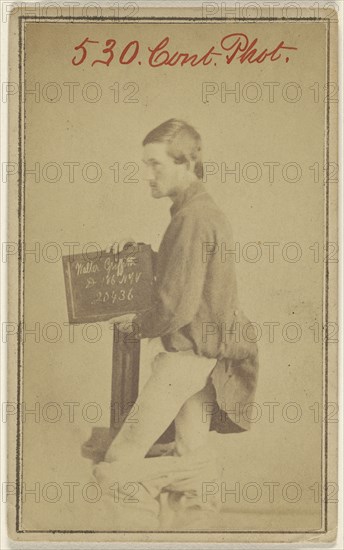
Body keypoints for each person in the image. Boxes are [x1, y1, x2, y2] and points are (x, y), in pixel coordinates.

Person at [93, 119, 259, 528]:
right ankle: (196, 520)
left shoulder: (192, 219)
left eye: (155, 164)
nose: (147, 175)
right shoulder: (200, 212)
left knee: (116, 463)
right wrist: (139, 258)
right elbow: (188, 281)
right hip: (204, 357)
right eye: (144, 164)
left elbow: (176, 305)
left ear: (185, 164)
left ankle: (188, 486)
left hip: (184, 359)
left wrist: (135, 324)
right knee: (190, 463)